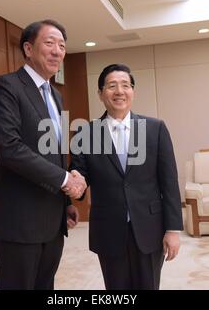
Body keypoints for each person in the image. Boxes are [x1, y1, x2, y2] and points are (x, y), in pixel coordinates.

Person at [0, 20, 86, 290]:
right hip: (19, 219)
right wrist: (65, 180)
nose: (57, 51)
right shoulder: (6, 87)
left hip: (51, 220)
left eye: (62, 45)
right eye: (49, 43)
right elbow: (9, 148)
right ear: (28, 48)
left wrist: (65, 204)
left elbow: (55, 153)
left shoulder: (57, 97)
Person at [68, 64, 183, 290]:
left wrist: (172, 230)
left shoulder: (155, 128)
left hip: (150, 228)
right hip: (108, 229)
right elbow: (80, 173)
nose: (119, 91)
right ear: (100, 94)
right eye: (111, 86)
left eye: (125, 85)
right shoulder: (86, 133)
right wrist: (75, 180)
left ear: (133, 92)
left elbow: (169, 181)